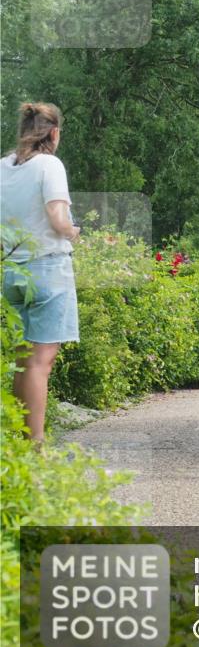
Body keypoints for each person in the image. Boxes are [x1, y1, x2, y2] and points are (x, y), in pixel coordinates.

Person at [1, 102, 80, 444]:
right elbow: (58, 219)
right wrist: (74, 231)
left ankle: (18, 442)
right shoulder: (50, 165)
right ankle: (35, 448)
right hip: (47, 268)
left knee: (23, 359)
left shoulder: (4, 167)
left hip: (11, 270)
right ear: (54, 133)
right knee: (40, 363)